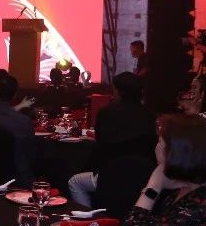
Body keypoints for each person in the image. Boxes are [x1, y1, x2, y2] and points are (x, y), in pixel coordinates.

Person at [67, 72, 157, 207]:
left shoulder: (107, 113)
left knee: (75, 181)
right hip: (144, 175)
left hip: (111, 173)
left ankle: (90, 216)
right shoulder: (149, 115)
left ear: (118, 91)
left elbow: (101, 143)